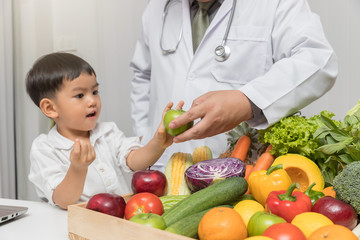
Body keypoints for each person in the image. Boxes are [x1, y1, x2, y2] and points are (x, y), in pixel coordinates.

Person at [130, 0, 338, 172]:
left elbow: (318, 59)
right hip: (160, 169)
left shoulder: (276, 4)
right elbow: (142, 74)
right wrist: (144, 141)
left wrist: (248, 100)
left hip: (238, 171)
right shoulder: (158, 7)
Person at [26, 52, 176, 209]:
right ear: (50, 108)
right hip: (75, 225)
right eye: (79, 95)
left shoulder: (108, 132)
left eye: (95, 92)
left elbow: (135, 162)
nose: (92, 101)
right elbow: (63, 200)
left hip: (119, 218)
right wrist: (78, 169)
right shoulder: (45, 148)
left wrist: (158, 144)